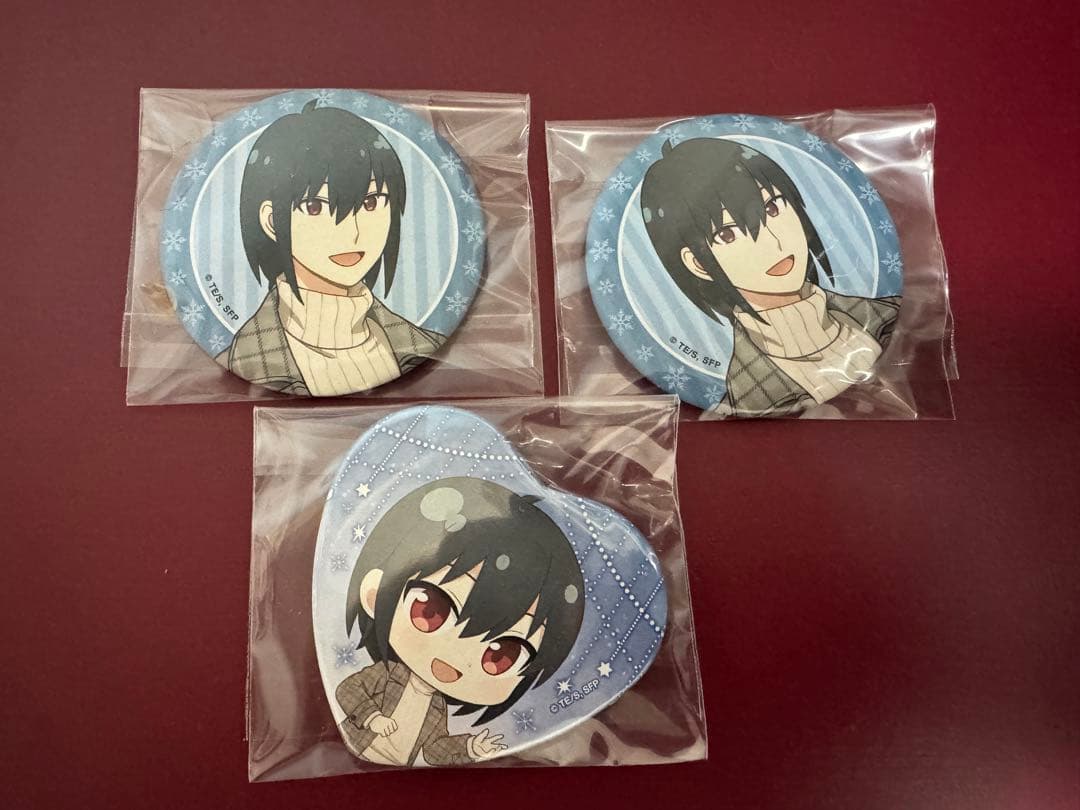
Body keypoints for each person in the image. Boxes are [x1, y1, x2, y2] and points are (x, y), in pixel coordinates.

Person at [641, 138, 900, 417]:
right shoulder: (747, 395)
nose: (773, 242)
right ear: (697, 263)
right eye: (727, 234)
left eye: (773, 207)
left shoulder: (883, 314)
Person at [336, 477, 585, 766]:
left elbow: (433, 749)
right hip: (362, 742)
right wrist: (373, 718)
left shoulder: (437, 708)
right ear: (374, 595)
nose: (455, 655)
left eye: (502, 656)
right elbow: (347, 690)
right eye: (430, 611)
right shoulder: (385, 675)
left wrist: (470, 747)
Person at [219, 99, 444, 396]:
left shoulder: (421, 346)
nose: (352, 232)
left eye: (371, 202)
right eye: (315, 206)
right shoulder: (250, 357)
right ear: (272, 221)